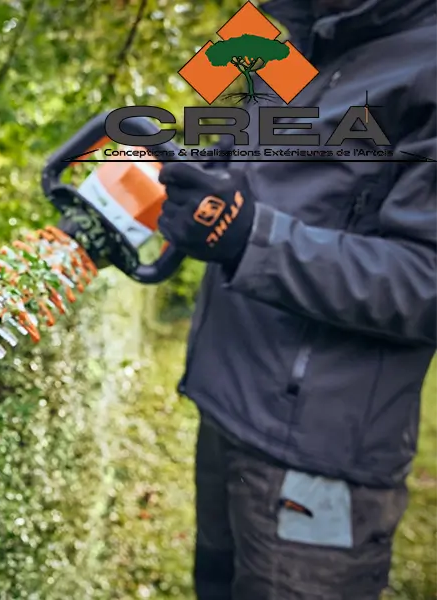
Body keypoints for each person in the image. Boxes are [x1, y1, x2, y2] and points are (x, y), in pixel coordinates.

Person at [150, 0, 437, 598]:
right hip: (223, 401)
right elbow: (230, 160)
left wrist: (251, 237)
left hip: (317, 448)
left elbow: (425, 279)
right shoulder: (282, 44)